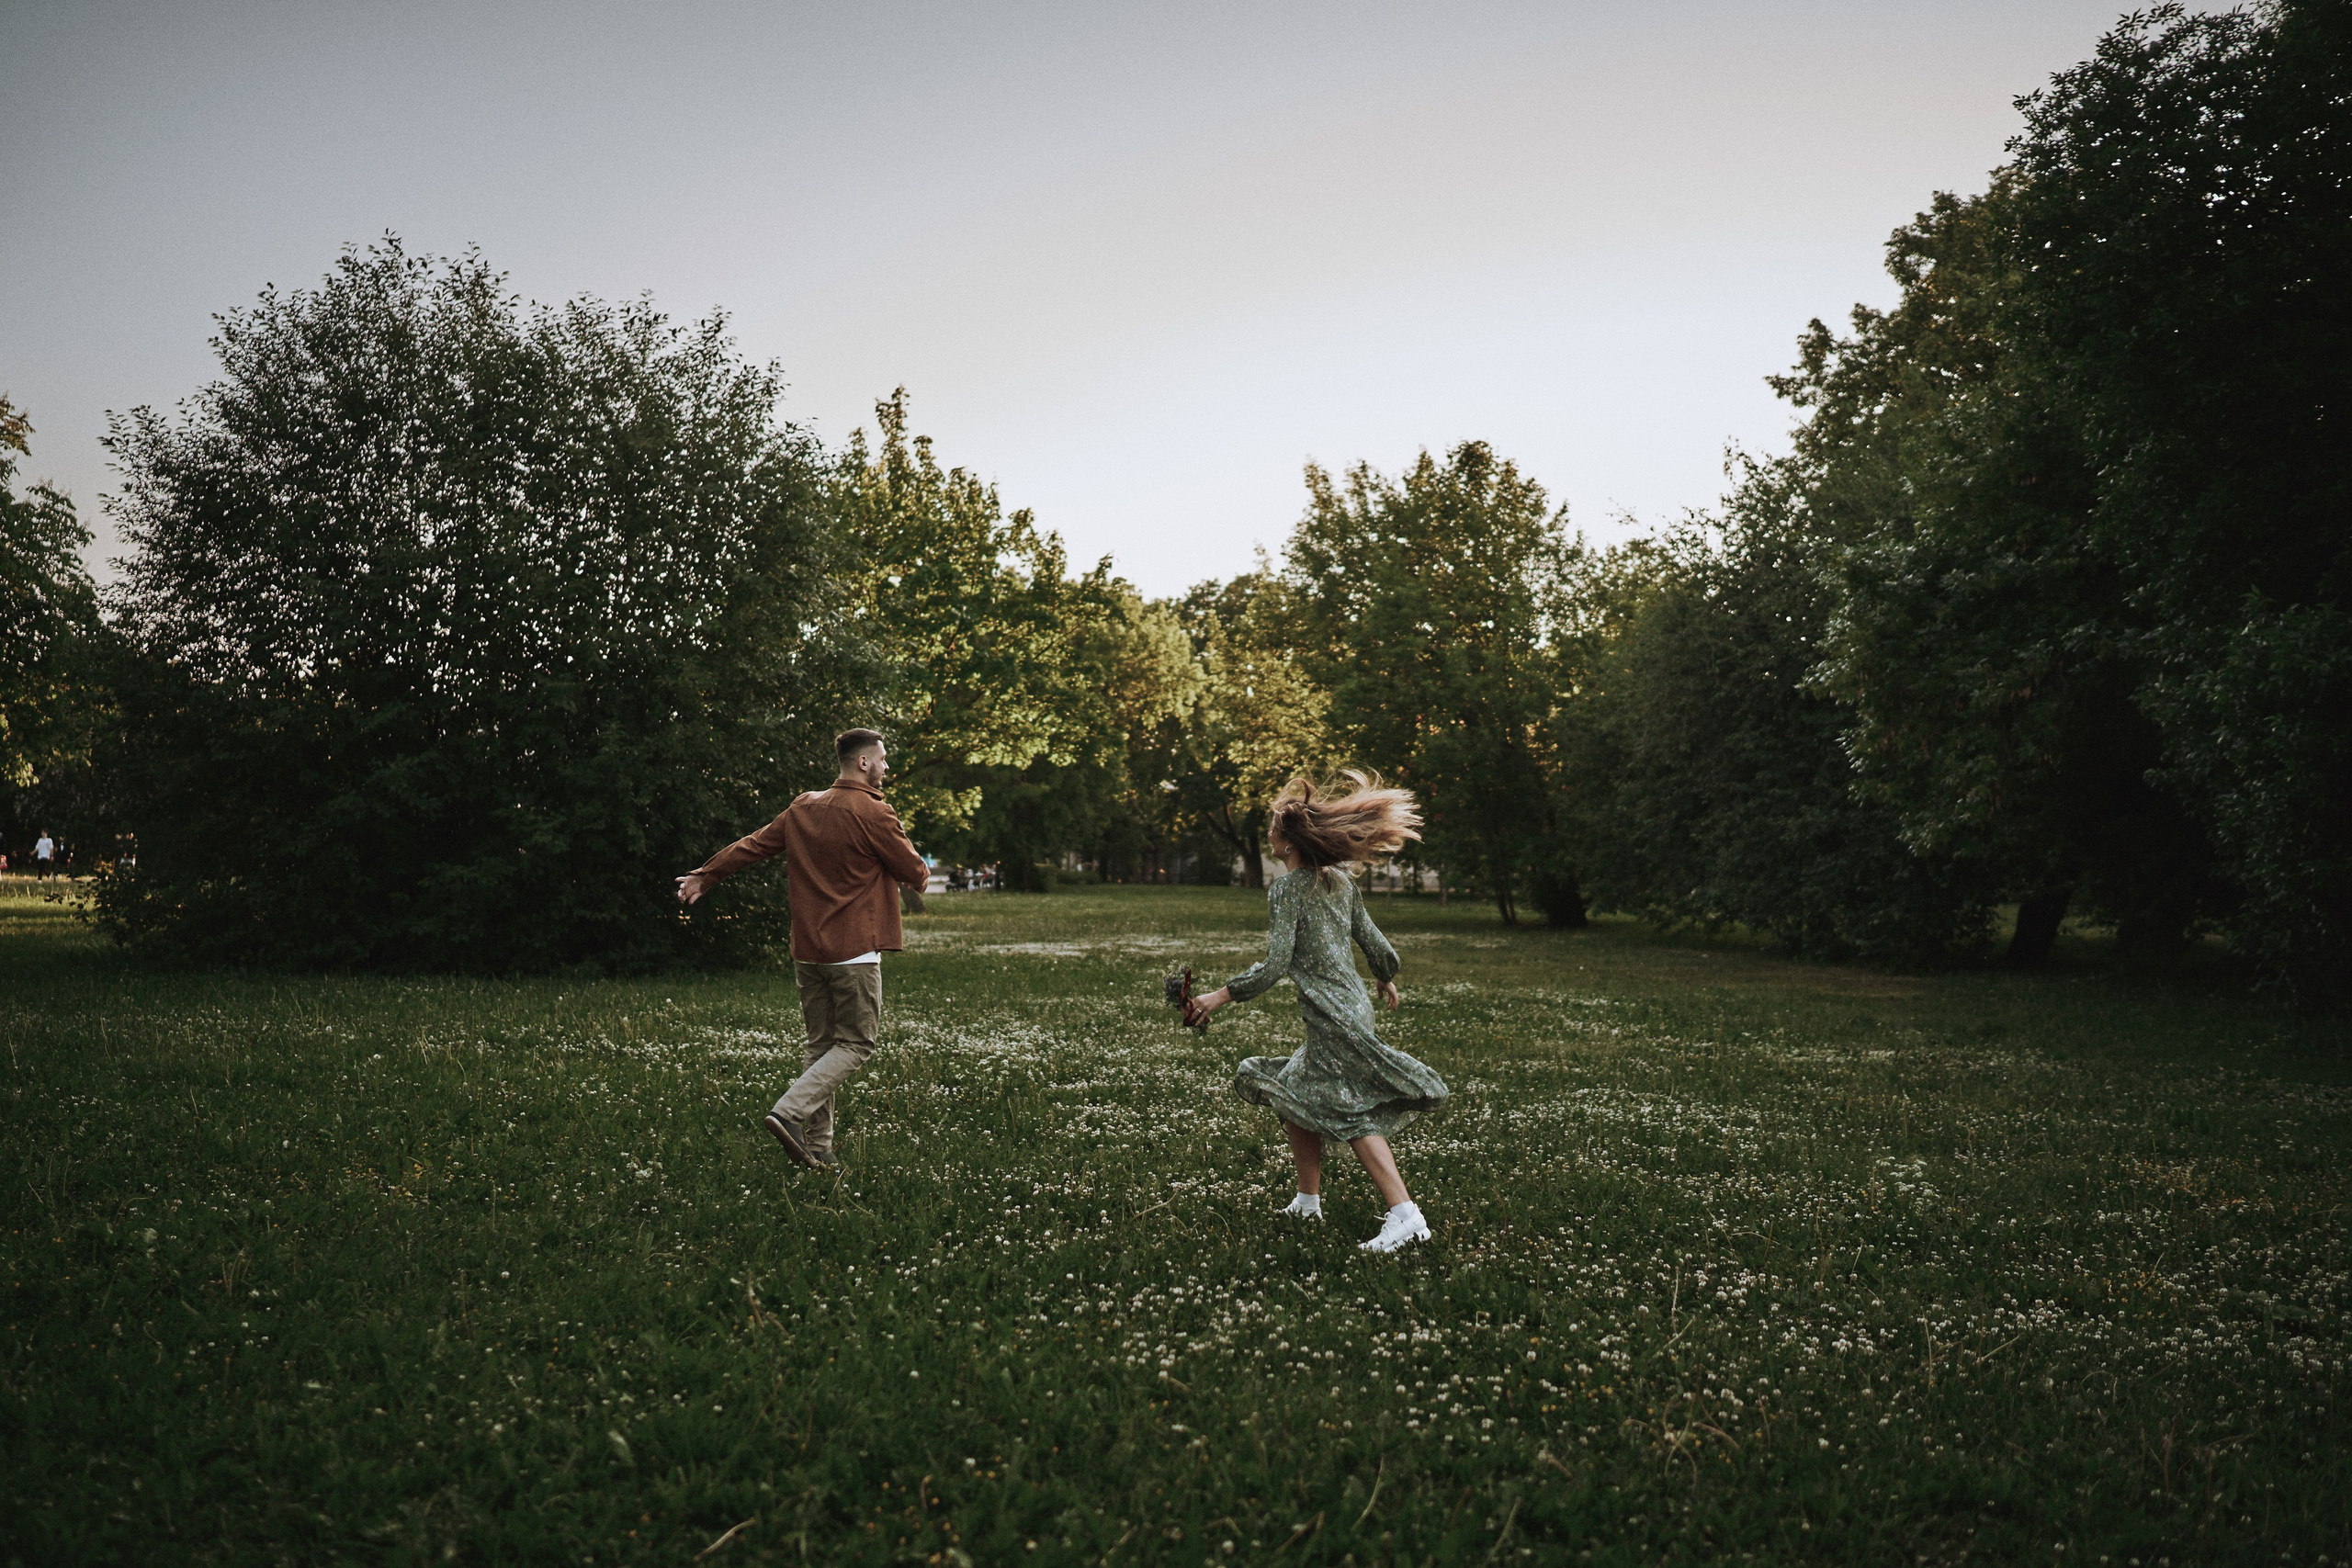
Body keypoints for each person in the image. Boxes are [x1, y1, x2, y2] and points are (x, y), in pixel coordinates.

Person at [1183, 772, 1447, 1253]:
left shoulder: (1287, 891)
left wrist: (1218, 996)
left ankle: (1406, 1216)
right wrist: (1386, 974)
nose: (1268, 835)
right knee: (1293, 1092)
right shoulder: (1341, 884)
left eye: (1273, 830)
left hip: (1332, 1016)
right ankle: (1308, 1202)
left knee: (1349, 1111)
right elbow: (1374, 940)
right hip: (1351, 1009)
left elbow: (1276, 962)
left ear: (1288, 842)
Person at [676, 729, 928, 1171]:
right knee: (856, 1044)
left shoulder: (803, 806)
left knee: (820, 1046)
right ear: (863, 763)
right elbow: (915, 872)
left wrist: (705, 875)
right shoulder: (874, 813)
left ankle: (818, 1148)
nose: (888, 767)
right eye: (883, 759)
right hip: (853, 952)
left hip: (809, 951)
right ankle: (789, 1113)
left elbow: (753, 845)